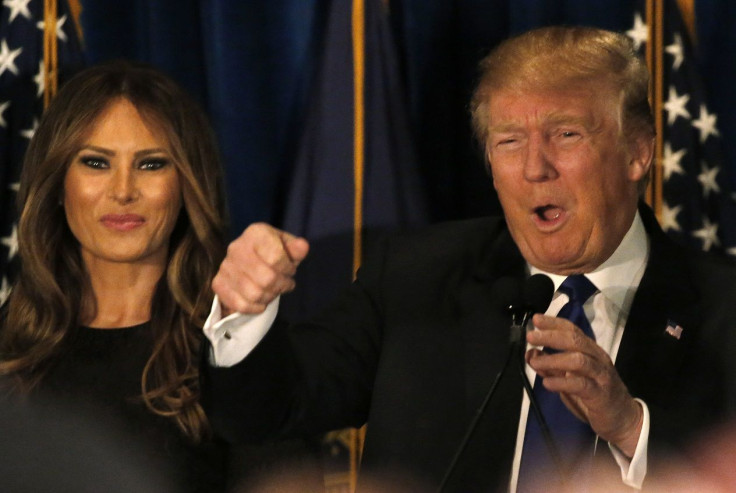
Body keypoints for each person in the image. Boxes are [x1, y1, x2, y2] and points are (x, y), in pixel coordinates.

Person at [202, 26, 736, 492]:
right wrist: (242, 313)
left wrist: (629, 426)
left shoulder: (723, 307)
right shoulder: (416, 277)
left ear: (638, 152)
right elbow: (267, 411)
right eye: (508, 141)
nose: (534, 168)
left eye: (565, 134)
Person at [0, 60, 320, 492]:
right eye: (96, 163)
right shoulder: (11, 342)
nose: (123, 190)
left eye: (151, 164)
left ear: (187, 185)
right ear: (58, 184)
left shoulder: (232, 351)